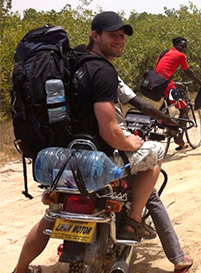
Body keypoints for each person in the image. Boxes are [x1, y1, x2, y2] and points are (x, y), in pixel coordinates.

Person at [13, 11, 165, 273]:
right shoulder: (103, 71)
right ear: (95, 35)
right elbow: (109, 131)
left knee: (52, 215)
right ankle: (133, 221)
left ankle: (20, 269)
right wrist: (132, 143)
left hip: (63, 153)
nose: (119, 40)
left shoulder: (72, 62)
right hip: (97, 156)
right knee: (155, 155)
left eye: (122, 36)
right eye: (113, 35)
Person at [116, 78, 193, 273]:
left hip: (74, 152)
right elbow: (140, 104)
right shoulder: (106, 73)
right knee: (149, 189)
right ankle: (136, 223)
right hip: (114, 146)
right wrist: (168, 120)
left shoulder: (70, 73)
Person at [155, 37, 201, 150]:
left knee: (168, 102)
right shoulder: (180, 55)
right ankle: (179, 138)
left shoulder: (165, 52)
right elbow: (187, 71)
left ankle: (159, 118)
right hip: (165, 83)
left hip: (155, 82)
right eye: (182, 46)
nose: (183, 48)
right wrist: (199, 82)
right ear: (176, 44)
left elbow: (161, 69)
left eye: (185, 47)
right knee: (184, 109)